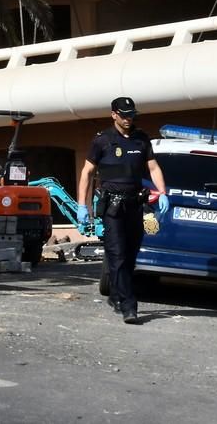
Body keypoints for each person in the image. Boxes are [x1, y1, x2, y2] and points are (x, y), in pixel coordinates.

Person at [77, 96, 166, 324]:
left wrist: (163, 192)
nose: (128, 119)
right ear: (114, 114)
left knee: (129, 255)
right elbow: (87, 172)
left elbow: (153, 167)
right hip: (112, 208)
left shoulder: (141, 139)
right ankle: (129, 306)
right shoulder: (102, 141)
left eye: (131, 115)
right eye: (124, 115)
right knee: (116, 254)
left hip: (135, 205)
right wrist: (81, 205)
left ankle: (117, 295)